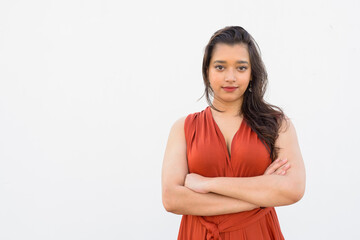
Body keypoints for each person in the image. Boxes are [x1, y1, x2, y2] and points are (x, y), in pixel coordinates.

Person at [161, 26, 306, 240]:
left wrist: (207, 184)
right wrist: (261, 194)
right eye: (220, 67)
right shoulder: (183, 127)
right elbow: (172, 199)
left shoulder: (276, 124)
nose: (230, 77)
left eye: (240, 68)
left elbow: (293, 189)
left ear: (252, 72)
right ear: (207, 71)